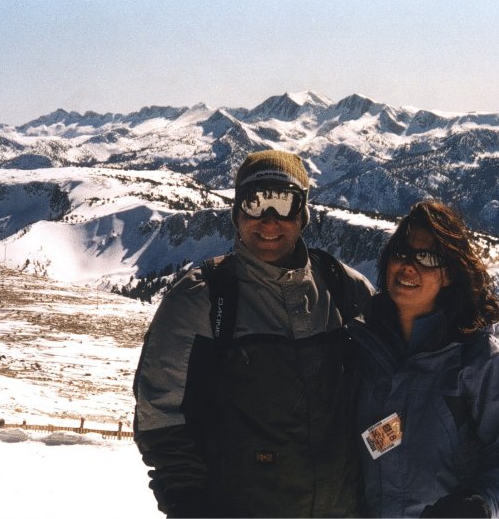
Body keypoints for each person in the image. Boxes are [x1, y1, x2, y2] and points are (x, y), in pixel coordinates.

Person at [133, 149, 374, 518]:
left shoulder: (343, 287)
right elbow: (161, 418)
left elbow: (398, 379)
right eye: (255, 202)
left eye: (284, 204)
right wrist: (188, 505)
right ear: (237, 213)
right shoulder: (202, 300)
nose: (269, 220)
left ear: (303, 214)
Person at [348, 201, 499, 518]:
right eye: (402, 253)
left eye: (427, 258)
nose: (409, 266)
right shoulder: (362, 344)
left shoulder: (476, 359)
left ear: (449, 274)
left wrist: (480, 504)